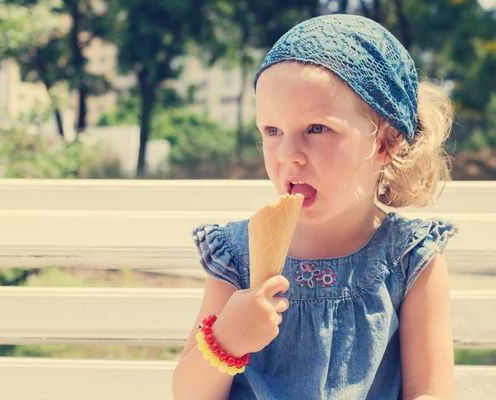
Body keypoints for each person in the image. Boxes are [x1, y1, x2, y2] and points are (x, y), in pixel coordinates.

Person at [172, 13, 457, 400]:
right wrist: (225, 340)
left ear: (386, 143)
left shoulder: (409, 259)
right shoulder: (239, 254)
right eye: (272, 131)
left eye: (317, 129)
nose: (289, 155)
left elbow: (431, 391)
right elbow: (189, 394)